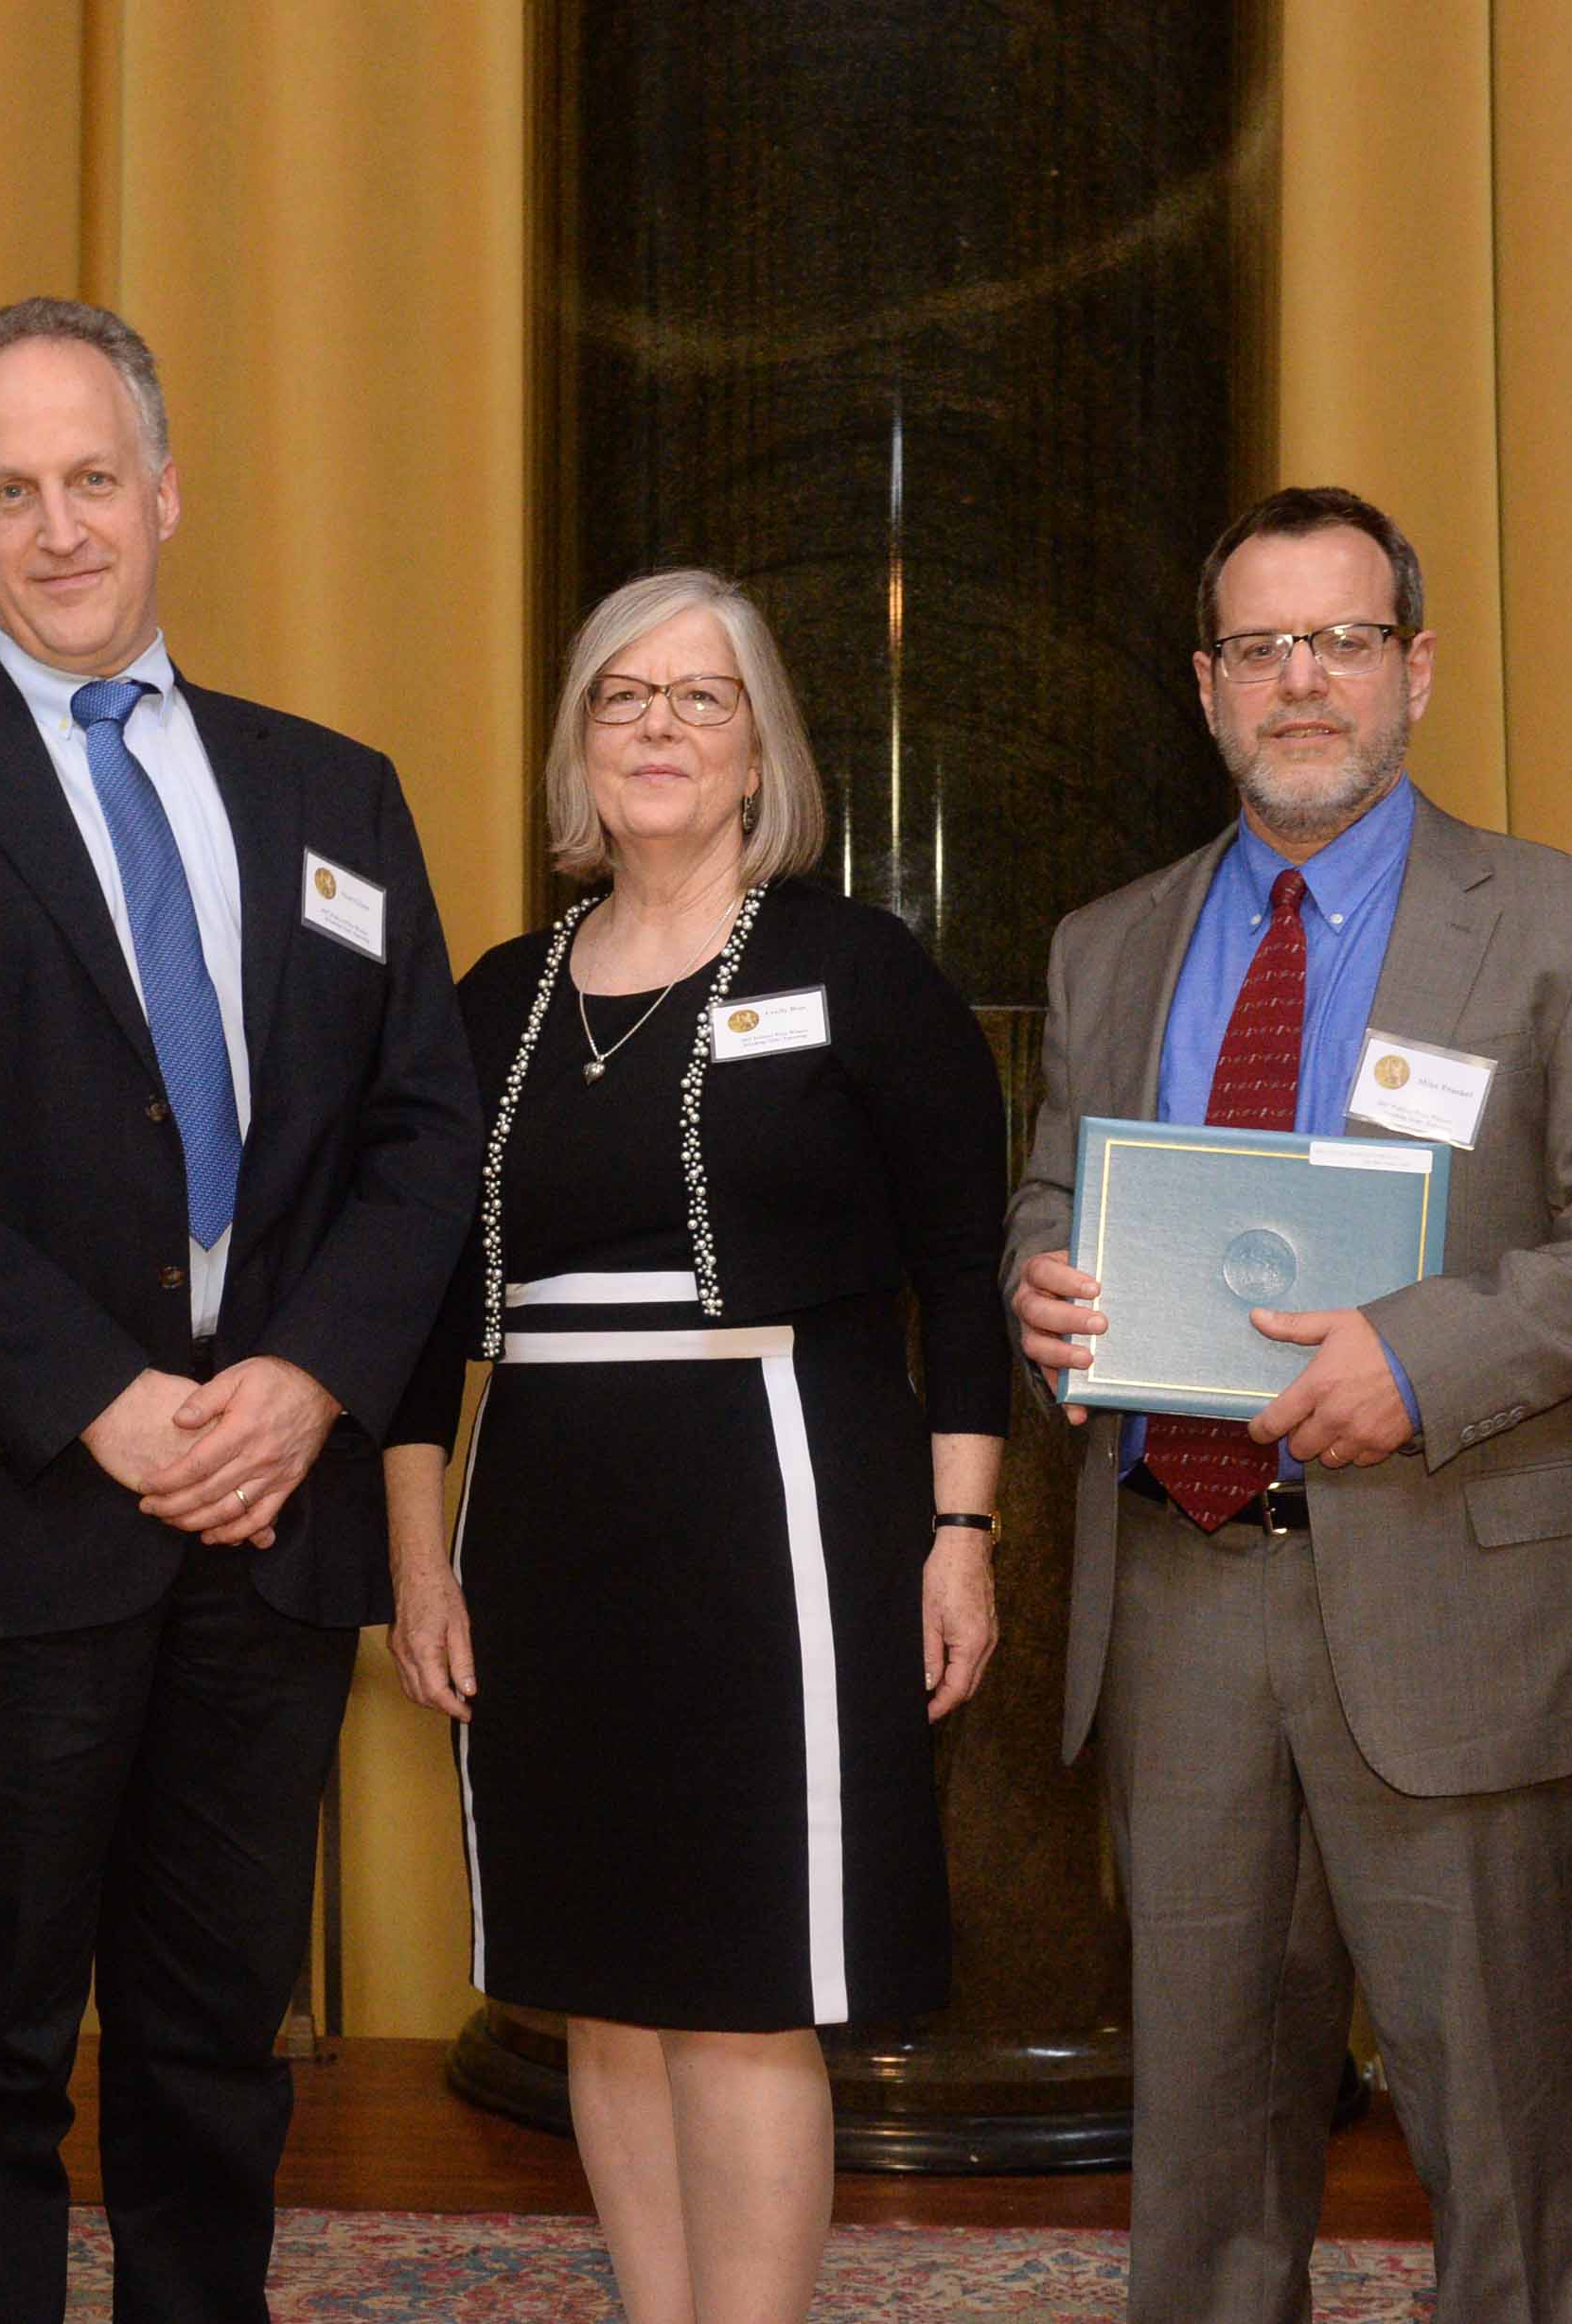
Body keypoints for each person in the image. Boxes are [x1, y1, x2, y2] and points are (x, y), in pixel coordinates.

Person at [1004, 485, 1572, 2324]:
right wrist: (1041, 1281)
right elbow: (1053, 1190)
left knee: (1490, 2123)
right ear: (1208, 685)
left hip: (1452, 1592)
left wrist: (1419, 1359)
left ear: (1414, 666)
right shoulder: (1114, 942)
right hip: (1179, 1592)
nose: (1301, 683)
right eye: (1263, 649)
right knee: (1205, 2132)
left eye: (1340, 641)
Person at [0, 296, 478, 2324]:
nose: (57, 527)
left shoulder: (336, 796)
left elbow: (422, 1132)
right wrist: (101, 1396)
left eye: (91, 478)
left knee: (216, 2045)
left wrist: (305, 1380)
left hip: (271, 1516)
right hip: (11, 1505)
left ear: (167, 493)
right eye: (8, 491)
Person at [384, 569, 1008, 2324]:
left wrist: (963, 1532)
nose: (658, 729)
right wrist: (417, 1558)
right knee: (598, 1982)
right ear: (579, 748)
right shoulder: (495, 997)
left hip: (788, 1505)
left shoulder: (855, 970)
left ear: (760, 755)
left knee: (745, 1985)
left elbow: (962, 1270)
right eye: (621, 698)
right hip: (542, 1513)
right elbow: (417, 1314)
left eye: (700, 699)